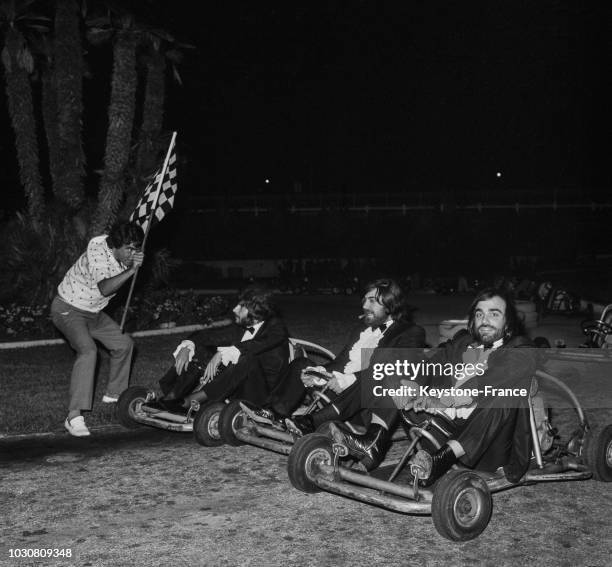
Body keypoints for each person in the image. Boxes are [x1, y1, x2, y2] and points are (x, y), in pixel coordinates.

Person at [334, 287, 537, 483]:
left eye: (494, 314)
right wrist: (405, 378)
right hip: (443, 428)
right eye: (479, 314)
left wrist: (444, 399)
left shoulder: (520, 348)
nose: (485, 321)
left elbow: (491, 382)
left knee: (507, 394)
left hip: (487, 445)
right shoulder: (463, 341)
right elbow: (431, 362)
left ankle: (443, 459)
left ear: (508, 321)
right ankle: (374, 441)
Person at [242, 278, 427, 469]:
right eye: (364, 300)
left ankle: (313, 421)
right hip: (338, 393)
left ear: (390, 303)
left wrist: (348, 380)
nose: (364, 305)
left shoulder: (411, 332)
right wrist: (321, 373)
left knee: (385, 370)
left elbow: (395, 367)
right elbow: (340, 363)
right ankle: (275, 414)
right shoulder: (361, 330)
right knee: (302, 364)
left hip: (369, 404)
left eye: (372, 301)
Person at [51, 222, 145, 437]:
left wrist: (132, 263)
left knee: (124, 344)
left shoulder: (123, 254)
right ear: (115, 246)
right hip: (68, 307)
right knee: (88, 351)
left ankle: (115, 397)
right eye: (130, 249)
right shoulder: (97, 249)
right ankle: (73, 417)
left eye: (136, 248)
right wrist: (132, 270)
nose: (134, 253)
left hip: (93, 312)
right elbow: (104, 288)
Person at [153, 288, 289, 411]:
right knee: (202, 350)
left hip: (262, 394)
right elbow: (207, 335)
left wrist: (221, 353)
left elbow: (259, 344)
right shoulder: (240, 327)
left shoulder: (276, 328)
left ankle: (192, 400)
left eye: (241, 307)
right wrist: (188, 346)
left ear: (256, 310)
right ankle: (172, 397)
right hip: (235, 385)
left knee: (246, 357)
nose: (234, 309)